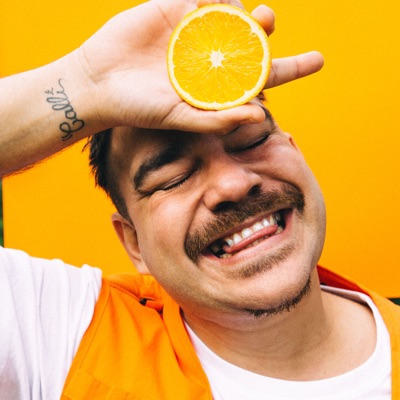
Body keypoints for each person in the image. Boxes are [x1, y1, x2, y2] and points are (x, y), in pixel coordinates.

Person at [0, 0, 398, 399]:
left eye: (252, 141)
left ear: (296, 152)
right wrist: (85, 82)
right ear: (133, 242)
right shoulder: (65, 339)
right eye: (174, 179)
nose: (233, 184)